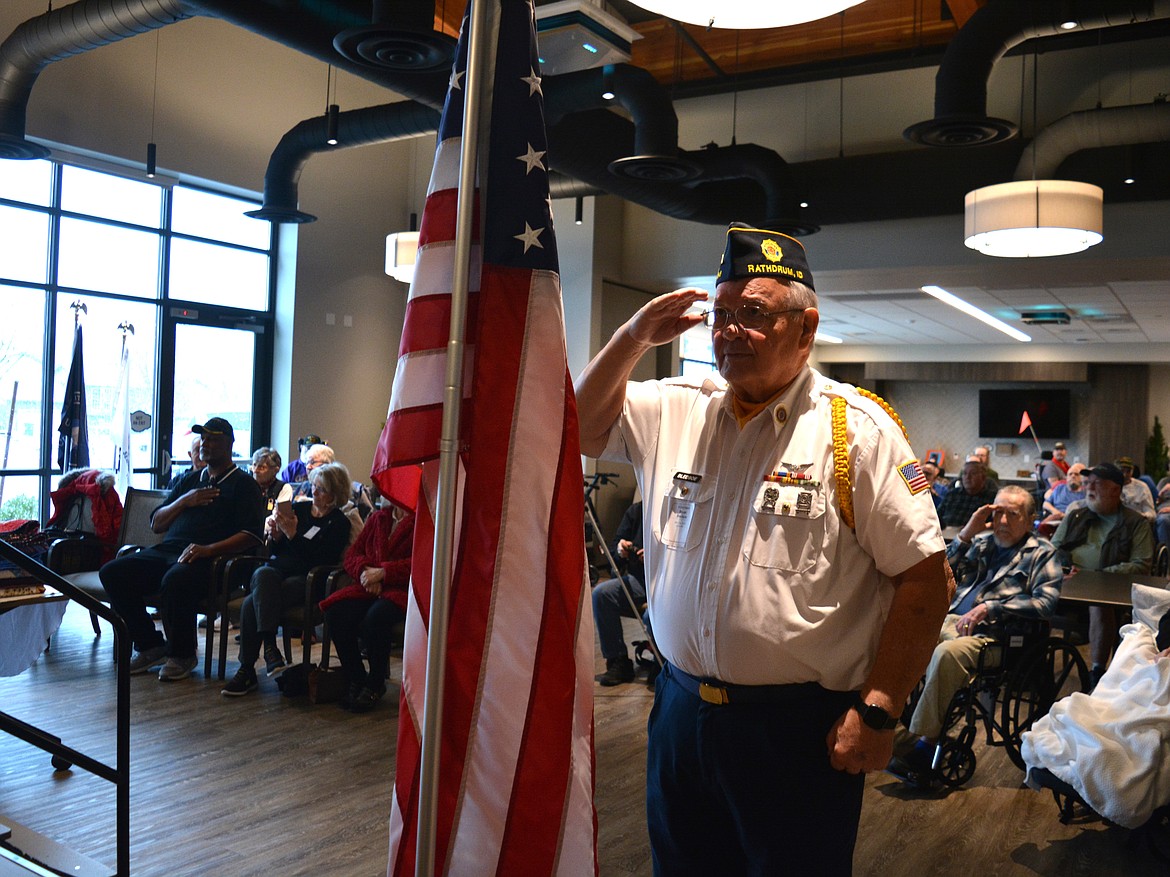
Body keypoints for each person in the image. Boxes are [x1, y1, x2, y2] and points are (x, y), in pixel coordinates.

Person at [573, 222, 952, 876]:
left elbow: (926, 579)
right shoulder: (676, 407)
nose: (728, 329)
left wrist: (880, 707)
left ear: (804, 329)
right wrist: (630, 338)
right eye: (720, 313)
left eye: (753, 313)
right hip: (681, 712)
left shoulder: (855, 429)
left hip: (799, 731)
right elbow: (578, 428)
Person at [889, 486, 1062, 781]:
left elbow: (1045, 604)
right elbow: (941, 572)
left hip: (1000, 637)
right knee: (899, 634)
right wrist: (967, 533)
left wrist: (992, 608)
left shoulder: (1043, 553)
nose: (1003, 521)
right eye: (997, 513)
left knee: (946, 653)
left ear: (1031, 518)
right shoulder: (982, 542)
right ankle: (893, 725)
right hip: (953, 621)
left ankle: (925, 744)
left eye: (1013, 514)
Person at [100, 417, 264, 681]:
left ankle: (182, 654)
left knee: (176, 578)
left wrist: (209, 549)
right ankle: (150, 644)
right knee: (113, 572)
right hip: (170, 550)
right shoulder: (188, 480)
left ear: (229, 444)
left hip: (214, 560)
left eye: (213, 439)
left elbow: (251, 536)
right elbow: (156, 523)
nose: (205, 444)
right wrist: (185, 501)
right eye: (204, 439)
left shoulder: (244, 485)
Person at [221, 461, 354, 695]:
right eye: (313, 486)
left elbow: (320, 559)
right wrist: (276, 535)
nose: (314, 491)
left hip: (308, 579)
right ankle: (270, 648)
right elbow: (276, 551)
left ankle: (247, 670)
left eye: (321, 489)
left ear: (335, 494)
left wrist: (293, 535)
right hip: (278, 571)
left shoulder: (338, 523)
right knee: (262, 574)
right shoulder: (300, 511)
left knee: (253, 602)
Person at [1051, 462, 1153, 688]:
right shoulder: (1076, 516)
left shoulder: (1135, 523)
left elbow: (1141, 563)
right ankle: (1032, 667)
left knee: (1098, 603)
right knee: (1033, 595)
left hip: (1107, 590)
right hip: (1068, 582)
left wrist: (1097, 574)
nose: (1089, 488)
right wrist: (1064, 569)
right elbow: (1052, 549)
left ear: (1115, 490)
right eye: (1088, 483)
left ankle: (1097, 670)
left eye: (1097, 484)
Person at [320, 502, 414, 712]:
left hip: (402, 590)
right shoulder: (379, 518)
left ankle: (375, 683)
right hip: (369, 586)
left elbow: (422, 562)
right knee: (336, 612)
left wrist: (383, 572)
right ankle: (356, 677)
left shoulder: (422, 521)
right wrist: (365, 573)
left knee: (376, 617)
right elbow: (353, 554)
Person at [592, 501, 646, 686]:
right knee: (602, 594)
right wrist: (620, 550)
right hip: (639, 580)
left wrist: (657, 555)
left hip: (670, 583)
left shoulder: (677, 509)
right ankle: (618, 660)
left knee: (650, 615)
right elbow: (614, 549)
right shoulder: (636, 510)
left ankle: (663, 663)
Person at [936, 459, 999, 528]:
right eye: (965, 473)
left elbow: (996, 523)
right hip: (946, 534)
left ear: (983, 477)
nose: (967, 477)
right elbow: (936, 517)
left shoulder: (993, 498)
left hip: (976, 536)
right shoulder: (952, 494)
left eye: (973, 473)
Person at [250, 446, 292, 514]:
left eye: (262, 467)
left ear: (275, 470)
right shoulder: (247, 487)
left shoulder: (283, 488)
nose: (255, 470)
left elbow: (278, 517)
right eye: (254, 465)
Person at [1116, 456, 1155, 521]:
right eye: (1122, 471)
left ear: (1132, 471)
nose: (1125, 474)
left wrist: (1143, 516)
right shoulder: (1110, 486)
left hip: (1139, 522)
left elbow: (1151, 512)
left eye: (1128, 471)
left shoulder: (1142, 487)